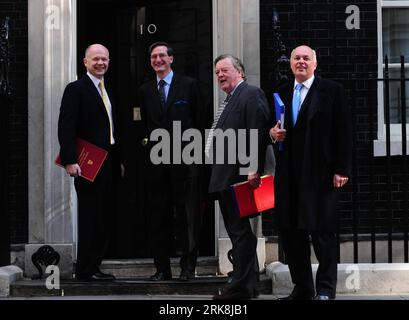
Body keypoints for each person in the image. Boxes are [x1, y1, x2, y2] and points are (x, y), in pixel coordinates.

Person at [270, 45, 353, 300]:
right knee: (291, 234)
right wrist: (272, 133)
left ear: (315, 64)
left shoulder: (332, 91)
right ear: (291, 63)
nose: (301, 62)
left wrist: (341, 168)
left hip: (320, 175)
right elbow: (272, 127)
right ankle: (303, 288)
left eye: (306, 58)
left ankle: (326, 290)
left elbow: (344, 131)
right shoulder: (282, 92)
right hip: (288, 176)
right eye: (297, 58)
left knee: (323, 234)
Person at [138, 42, 206, 281]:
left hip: (186, 164)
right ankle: (162, 269)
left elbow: (200, 124)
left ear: (171, 59)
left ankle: (188, 269)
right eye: (154, 56)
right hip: (156, 166)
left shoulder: (190, 86)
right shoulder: (145, 91)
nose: (158, 60)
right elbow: (143, 127)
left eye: (162, 56)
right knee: (158, 218)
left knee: (187, 218)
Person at [208, 54, 271, 300]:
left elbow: (257, 131)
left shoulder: (250, 94)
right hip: (226, 177)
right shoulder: (232, 99)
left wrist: (252, 168)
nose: (220, 75)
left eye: (224, 70)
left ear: (240, 72)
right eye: (217, 73)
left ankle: (240, 288)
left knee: (240, 233)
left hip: (238, 178)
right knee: (240, 232)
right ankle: (249, 284)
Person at [58, 44, 120, 281]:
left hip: (107, 163)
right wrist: (70, 160)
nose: (101, 63)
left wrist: (119, 160)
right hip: (86, 165)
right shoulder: (75, 89)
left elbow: (111, 128)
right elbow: (66, 126)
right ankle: (85, 270)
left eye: (104, 59)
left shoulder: (108, 90)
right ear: (85, 62)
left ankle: (94, 266)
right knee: (90, 216)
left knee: (103, 216)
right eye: (96, 59)